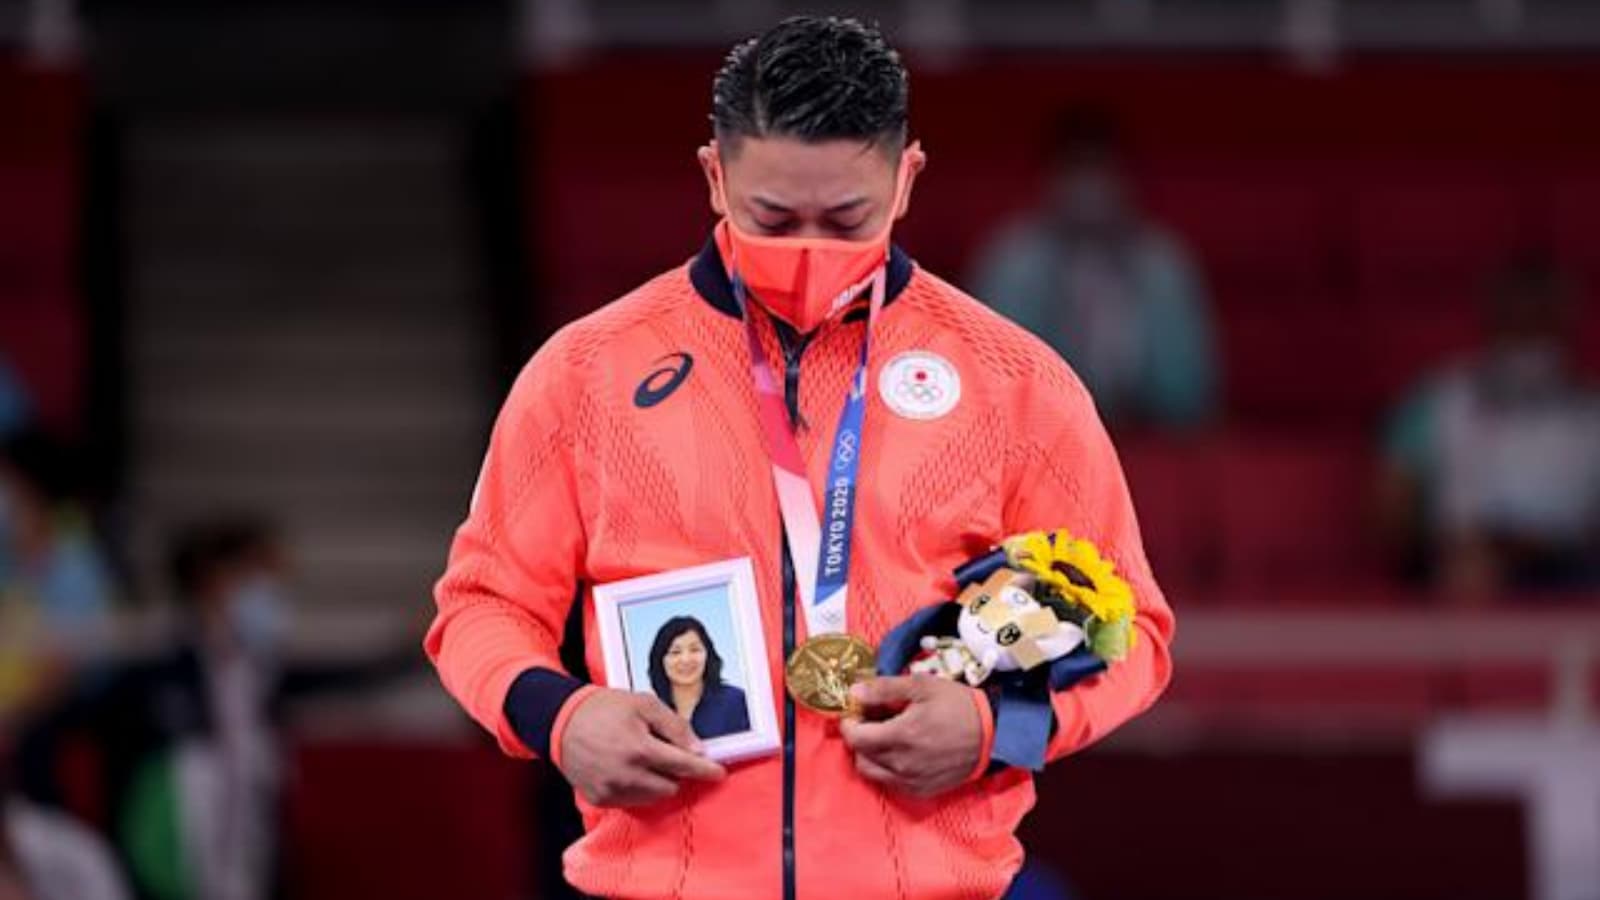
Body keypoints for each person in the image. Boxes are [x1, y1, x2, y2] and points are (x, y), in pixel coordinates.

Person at [427, 16, 1174, 899]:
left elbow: (1133, 635)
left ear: (906, 179)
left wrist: (992, 727)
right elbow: (480, 606)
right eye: (772, 217)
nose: (808, 249)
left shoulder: (1016, 383)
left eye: (846, 217)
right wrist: (561, 718)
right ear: (714, 176)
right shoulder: (586, 374)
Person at [15, 517, 416, 900]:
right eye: (260, 578)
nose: (272, 595)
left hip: (248, 878)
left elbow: (351, 677)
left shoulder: (262, 679)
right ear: (215, 579)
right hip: (159, 882)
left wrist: (428, 641)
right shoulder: (148, 676)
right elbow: (42, 734)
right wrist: (64, 831)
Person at [969, 108, 1218, 431]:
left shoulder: (1162, 264)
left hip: (1150, 442)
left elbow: (1190, 396)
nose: (1089, 189)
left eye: (1100, 172)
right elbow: (993, 384)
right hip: (1040, 442)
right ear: (1050, 180)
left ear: (1124, 180)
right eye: (1076, 172)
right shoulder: (1014, 262)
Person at [1379, 259, 1600, 596]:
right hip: (1459, 565)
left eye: (1540, 319)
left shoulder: (1593, 410)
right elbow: (1390, 508)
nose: (1527, 334)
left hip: (1571, 571)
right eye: (1514, 320)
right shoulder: (1437, 399)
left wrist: (1536, 546)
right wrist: (1445, 549)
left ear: (1566, 323)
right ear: (1490, 320)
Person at [647, 616, 750, 740]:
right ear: (660, 661)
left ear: (708, 654)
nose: (686, 659)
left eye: (695, 650)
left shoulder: (736, 701)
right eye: (675, 652)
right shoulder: (650, 713)